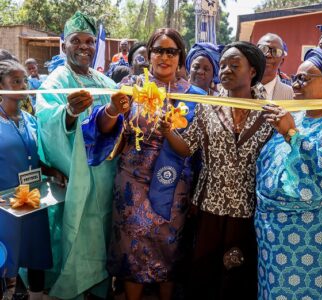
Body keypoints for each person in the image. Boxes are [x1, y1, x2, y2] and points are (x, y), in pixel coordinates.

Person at [88, 28, 206, 300]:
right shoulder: (129, 87)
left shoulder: (195, 95)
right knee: (132, 246)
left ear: (180, 57)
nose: (164, 56)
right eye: (158, 50)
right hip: (132, 182)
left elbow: (197, 149)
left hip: (174, 185)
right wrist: (113, 110)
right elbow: (106, 129)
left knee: (169, 246)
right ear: (149, 54)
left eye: (171, 51)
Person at [159, 41, 272, 300]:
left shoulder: (269, 113)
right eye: (222, 65)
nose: (226, 70)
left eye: (235, 65)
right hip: (209, 204)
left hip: (248, 208)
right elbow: (187, 147)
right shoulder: (208, 107)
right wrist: (167, 131)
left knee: (237, 270)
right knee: (204, 271)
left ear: (252, 71)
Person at [256, 48, 322, 300]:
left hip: (314, 236)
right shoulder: (299, 116)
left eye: (305, 78)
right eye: (295, 78)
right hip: (274, 234)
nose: (296, 84)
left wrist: (292, 134)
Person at [35, 11, 122, 299]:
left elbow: (121, 115)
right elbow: (47, 123)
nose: (84, 46)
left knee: (101, 236)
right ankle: (71, 290)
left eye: (89, 41)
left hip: (106, 178)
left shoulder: (104, 81)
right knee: (79, 236)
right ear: (64, 46)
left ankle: (98, 288)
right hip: (78, 179)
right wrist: (69, 113)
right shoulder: (55, 82)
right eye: (76, 41)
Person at [0, 58, 65, 300]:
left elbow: (36, 158)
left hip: (32, 202)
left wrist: (54, 172)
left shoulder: (30, 119)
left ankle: (34, 294)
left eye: (25, 80)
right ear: (1, 85)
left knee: (35, 251)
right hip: (5, 206)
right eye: (16, 81)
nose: (23, 85)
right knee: (7, 254)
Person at [257, 33, 293, 100]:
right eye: (263, 49)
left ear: (282, 61)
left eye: (276, 51)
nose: (268, 55)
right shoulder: (237, 89)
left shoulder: (291, 96)